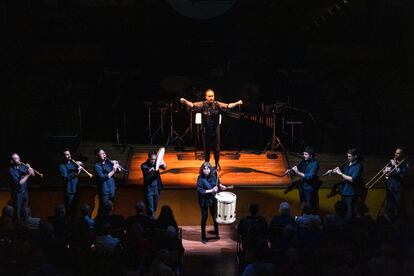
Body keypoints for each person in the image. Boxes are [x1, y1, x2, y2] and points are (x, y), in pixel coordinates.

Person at [180, 89, 243, 170]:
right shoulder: (202, 104)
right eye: (209, 96)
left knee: (217, 149)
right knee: (206, 150)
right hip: (206, 131)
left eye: (212, 96)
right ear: (206, 97)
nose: (211, 97)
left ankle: (217, 164)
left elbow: (228, 106)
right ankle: (207, 164)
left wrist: (237, 103)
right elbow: (192, 105)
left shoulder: (217, 104)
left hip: (215, 131)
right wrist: (185, 101)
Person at [327, 148, 364, 219]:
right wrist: (331, 171)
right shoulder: (347, 164)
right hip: (344, 191)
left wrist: (341, 174)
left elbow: (353, 179)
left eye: (350, 156)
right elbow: (339, 170)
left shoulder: (358, 166)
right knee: (343, 212)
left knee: (349, 214)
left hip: (351, 193)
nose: (348, 158)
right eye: (347, 156)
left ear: (355, 156)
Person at [197, 161, 228, 244]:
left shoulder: (214, 175)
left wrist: (221, 186)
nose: (206, 170)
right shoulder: (200, 178)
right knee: (204, 217)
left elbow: (218, 184)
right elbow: (200, 190)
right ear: (202, 170)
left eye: (208, 169)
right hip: (204, 200)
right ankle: (203, 237)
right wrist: (211, 190)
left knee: (214, 215)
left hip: (212, 198)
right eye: (204, 169)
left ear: (210, 169)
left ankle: (216, 231)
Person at [284, 146, 320, 213]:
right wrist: (290, 171)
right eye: (303, 154)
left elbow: (309, 177)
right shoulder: (304, 161)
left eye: (306, 154)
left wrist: (297, 172)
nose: (304, 156)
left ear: (311, 155)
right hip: (303, 187)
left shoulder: (315, 164)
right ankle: (303, 218)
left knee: (309, 207)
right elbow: (297, 169)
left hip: (309, 189)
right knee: (303, 205)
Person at [384, 146, 409, 221]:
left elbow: (402, 175)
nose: (396, 154)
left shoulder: (405, 164)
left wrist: (395, 165)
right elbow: (387, 174)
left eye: (398, 153)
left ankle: (401, 223)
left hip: (398, 188)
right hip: (390, 187)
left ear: (402, 154)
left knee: (399, 207)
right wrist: (385, 172)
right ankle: (391, 222)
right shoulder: (391, 162)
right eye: (395, 152)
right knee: (389, 206)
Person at [94, 148, 120, 219]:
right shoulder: (96, 166)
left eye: (104, 153)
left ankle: (109, 223)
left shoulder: (108, 163)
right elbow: (103, 177)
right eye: (102, 154)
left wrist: (117, 165)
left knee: (110, 209)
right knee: (103, 209)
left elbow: (118, 171)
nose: (104, 155)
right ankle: (100, 224)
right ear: (97, 156)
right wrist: (113, 170)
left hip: (112, 189)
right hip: (104, 191)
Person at [9, 153, 34, 223]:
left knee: (25, 212)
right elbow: (19, 183)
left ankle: (25, 227)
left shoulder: (23, 166)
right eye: (16, 159)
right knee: (18, 213)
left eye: (18, 158)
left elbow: (33, 175)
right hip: (17, 194)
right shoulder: (11, 170)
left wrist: (30, 168)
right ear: (12, 161)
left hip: (25, 193)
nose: (19, 159)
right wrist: (28, 174)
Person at [141, 150, 166, 219]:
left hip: (157, 188)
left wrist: (162, 161)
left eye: (154, 159)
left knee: (155, 208)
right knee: (151, 210)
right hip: (149, 190)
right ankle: (152, 225)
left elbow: (164, 167)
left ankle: (152, 221)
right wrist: (151, 170)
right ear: (148, 158)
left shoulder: (156, 163)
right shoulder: (144, 165)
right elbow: (148, 172)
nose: (153, 161)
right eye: (152, 159)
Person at [59, 149, 83, 219]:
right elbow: (66, 178)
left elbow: (82, 167)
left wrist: (81, 164)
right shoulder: (62, 166)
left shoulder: (73, 163)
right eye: (66, 154)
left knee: (75, 208)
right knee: (69, 209)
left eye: (69, 154)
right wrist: (76, 173)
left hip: (76, 188)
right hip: (69, 190)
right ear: (63, 157)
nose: (69, 156)